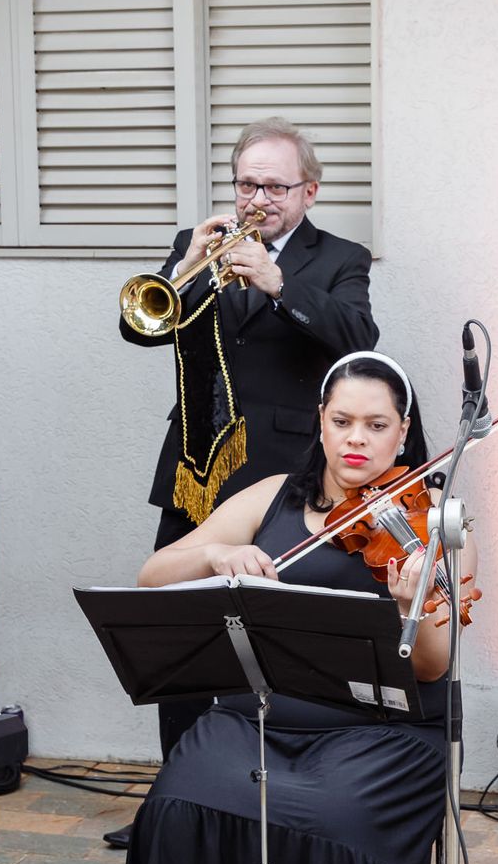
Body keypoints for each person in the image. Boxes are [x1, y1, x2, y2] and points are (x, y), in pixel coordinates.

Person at [112, 352, 473, 864]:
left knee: (340, 823)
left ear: (404, 433)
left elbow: (434, 667)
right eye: (342, 421)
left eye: (376, 426)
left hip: (381, 733)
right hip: (260, 717)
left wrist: (415, 603)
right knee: (179, 806)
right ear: (320, 421)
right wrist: (218, 553)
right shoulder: (273, 496)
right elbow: (153, 574)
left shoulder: (425, 519)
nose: (356, 441)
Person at [120, 117, 379, 775]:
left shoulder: (340, 257)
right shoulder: (195, 245)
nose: (257, 199)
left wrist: (277, 282)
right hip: (195, 469)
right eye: (246, 185)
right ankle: (178, 790)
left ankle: (264, 787)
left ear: (309, 192)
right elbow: (140, 332)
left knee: (273, 635)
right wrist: (181, 271)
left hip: (281, 477)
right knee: (179, 629)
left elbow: (357, 337)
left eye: (274, 187)